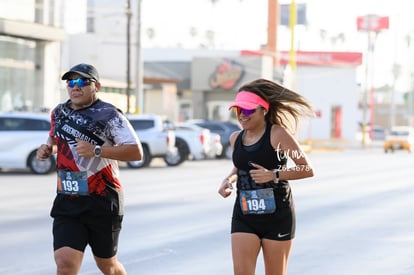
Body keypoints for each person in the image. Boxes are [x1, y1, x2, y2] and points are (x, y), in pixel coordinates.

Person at [36, 63, 143, 275]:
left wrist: (97, 151)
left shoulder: (109, 115)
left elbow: (136, 152)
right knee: (65, 263)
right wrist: (48, 149)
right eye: (71, 82)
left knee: (108, 266)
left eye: (82, 81)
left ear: (97, 86)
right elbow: (56, 140)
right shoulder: (59, 112)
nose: (75, 87)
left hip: (102, 199)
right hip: (68, 197)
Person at [218, 78, 314, 275]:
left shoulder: (277, 134)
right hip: (244, 215)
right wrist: (228, 180)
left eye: (248, 110)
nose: (242, 116)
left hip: (277, 216)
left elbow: (306, 168)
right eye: (238, 110)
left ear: (264, 110)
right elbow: (239, 167)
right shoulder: (235, 138)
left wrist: (274, 175)